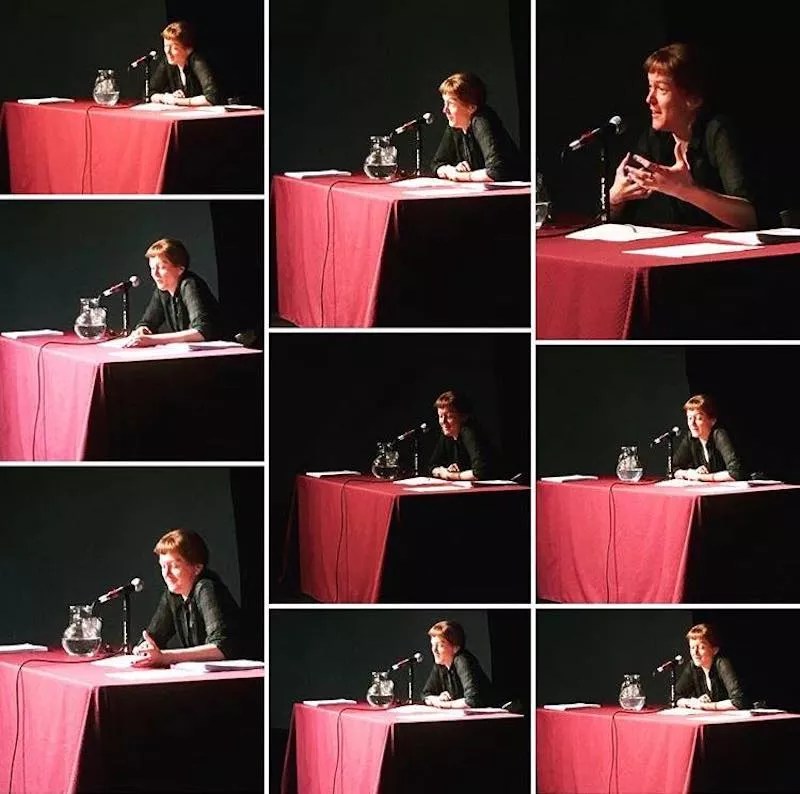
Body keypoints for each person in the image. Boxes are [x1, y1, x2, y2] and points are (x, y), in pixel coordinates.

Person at [609, 42, 756, 229]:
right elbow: (617, 217)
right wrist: (615, 200)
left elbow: (749, 217)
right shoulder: (654, 138)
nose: (649, 99)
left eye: (661, 89)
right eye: (650, 87)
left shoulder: (718, 132)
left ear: (693, 99)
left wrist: (686, 190)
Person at [132, 529, 241, 667]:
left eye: (174, 566)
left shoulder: (206, 588)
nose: (166, 574)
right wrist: (143, 649)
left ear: (197, 568)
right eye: (163, 566)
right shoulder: (173, 594)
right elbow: (153, 638)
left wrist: (165, 657)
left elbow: (222, 648)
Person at [123, 237, 224, 347]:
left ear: (180, 269)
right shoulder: (163, 290)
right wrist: (142, 329)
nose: (155, 274)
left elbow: (202, 331)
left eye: (162, 267)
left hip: (222, 352)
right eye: (152, 268)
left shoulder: (190, 284)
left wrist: (152, 340)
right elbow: (148, 322)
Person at [430, 72, 524, 183]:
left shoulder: (482, 121)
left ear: (471, 107)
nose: (444, 110)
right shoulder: (455, 125)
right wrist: (450, 170)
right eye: (444, 103)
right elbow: (437, 164)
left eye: (451, 103)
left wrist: (460, 176)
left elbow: (496, 171)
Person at [675, 623, 748, 710]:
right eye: (692, 647)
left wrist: (704, 706)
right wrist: (691, 702)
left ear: (715, 650)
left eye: (701, 647)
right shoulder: (693, 666)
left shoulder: (722, 664)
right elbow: (675, 697)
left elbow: (738, 702)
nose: (695, 653)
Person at [421, 620, 493, 708]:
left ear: (456, 647)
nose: (434, 650)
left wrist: (445, 704)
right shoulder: (441, 664)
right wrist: (438, 698)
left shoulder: (462, 660)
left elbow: (472, 700)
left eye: (440, 645)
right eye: (432, 645)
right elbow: (425, 695)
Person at [672, 394, 744, 481]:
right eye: (689, 418)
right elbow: (672, 468)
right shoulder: (690, 438)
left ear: (712, 420)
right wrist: (689, 473)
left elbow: (736, 473)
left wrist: (701, 477)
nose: (692, 423)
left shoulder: (719, 435)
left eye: (699, 418)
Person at [428, 390, 495, 481]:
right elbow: (432, 466)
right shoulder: (447, 433)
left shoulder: (469, 432)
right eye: (440, 416)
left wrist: (450, 475)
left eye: (449, 416)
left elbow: (480, 472)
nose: (443, 422)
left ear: (463, 417)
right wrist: (443, 471)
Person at [149, 20, 219, 107]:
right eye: (166, 46)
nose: (167, 52)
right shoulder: (168, 62)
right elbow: (149, 92)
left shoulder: (198, 62)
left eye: (174, 48)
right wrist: (165, 98)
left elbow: (212, 98)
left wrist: (178, 101)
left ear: (188, 49)